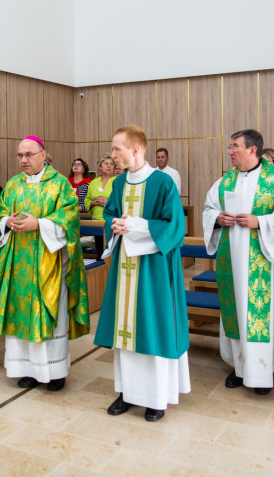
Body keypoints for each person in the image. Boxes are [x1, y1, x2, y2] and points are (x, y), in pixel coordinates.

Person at [94, 125, 190, 422]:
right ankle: (127, 392)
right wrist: (115, 225)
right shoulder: (119, 183)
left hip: (153, 269)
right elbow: (110, 214)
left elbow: (175, 226)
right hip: (125, 266)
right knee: (125, 329)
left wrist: (135, 226)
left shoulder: (163, 182)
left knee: (152, 326)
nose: (112, 155)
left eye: (117, 149)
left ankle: (156, 398)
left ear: (135, 149)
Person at [203, 129, 274, 394]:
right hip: (231, 260)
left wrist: (260, 221)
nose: (230, 152)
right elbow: (208, 208)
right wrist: (217, 219)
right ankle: (239, 368)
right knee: (235, 312)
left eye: (235, 146)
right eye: (230, 146)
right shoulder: (224, 182)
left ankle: (261, 372)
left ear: (252, 150)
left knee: (259, 316)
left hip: (262, 261)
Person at [0, 135, 91, 391]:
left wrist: (40, 224)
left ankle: (54, 373)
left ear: (43, 155)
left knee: (50, 316)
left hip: (49, 264)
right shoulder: (13, 185)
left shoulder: (59, 184)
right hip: (18, 264)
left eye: (29, 155)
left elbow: (70, 219)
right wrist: (6, 222)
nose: (23, 160)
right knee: (21, 315)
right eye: (20, 155)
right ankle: (27, 370)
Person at [84, 154, 116, 221]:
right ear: (100, 166)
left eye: (111, 164)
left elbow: (122, 202)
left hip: (113, 220)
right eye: (106, 163)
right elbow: (87, 201)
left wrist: (108, 203)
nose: (109, 166)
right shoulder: (93, 182)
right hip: (95, 220)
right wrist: (93, 203)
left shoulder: (117, 181)